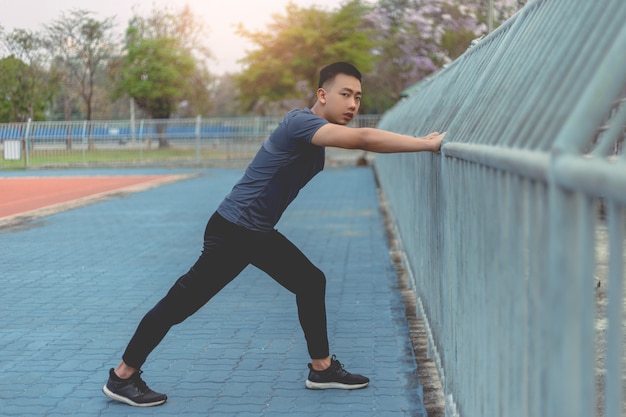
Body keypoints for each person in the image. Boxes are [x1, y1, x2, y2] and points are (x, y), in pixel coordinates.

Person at [102, 62, 445, 407]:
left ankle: (322, 368)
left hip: (253, 231)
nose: (353, 104)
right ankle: (122, 376)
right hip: (235, 230)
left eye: (358, 97)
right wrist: (425, 144)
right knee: (181, 303)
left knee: (310, 281)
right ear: (322, 95)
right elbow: (364, 138)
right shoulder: (302, 123)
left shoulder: (314, 129)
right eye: (345, 95)